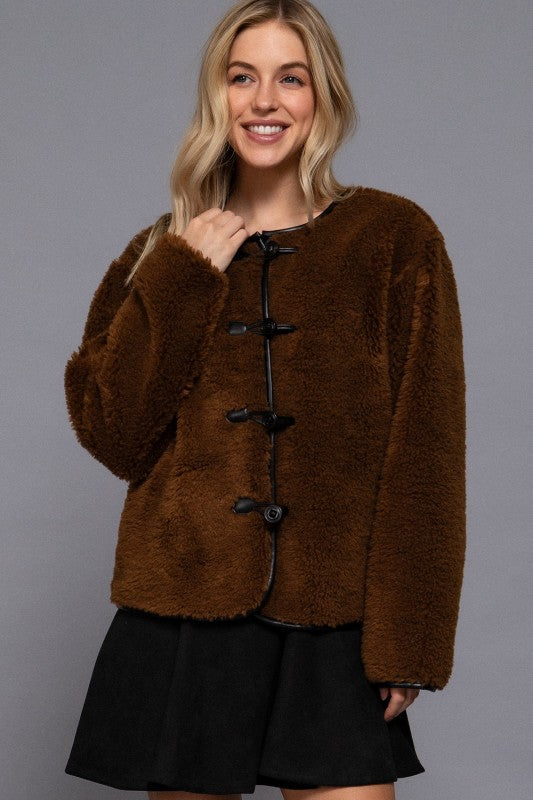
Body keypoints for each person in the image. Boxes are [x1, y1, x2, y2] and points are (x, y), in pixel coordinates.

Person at [63, 1, 466, 799]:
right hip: (185, 611)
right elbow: (112, 433)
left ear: (324, 96)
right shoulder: (162, 252)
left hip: (333, 618)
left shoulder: (394, 239)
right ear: (216, 96)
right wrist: (183, 276)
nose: (264, 101)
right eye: (241, 77)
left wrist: (409, 640)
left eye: (291, 78)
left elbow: (427, 453)